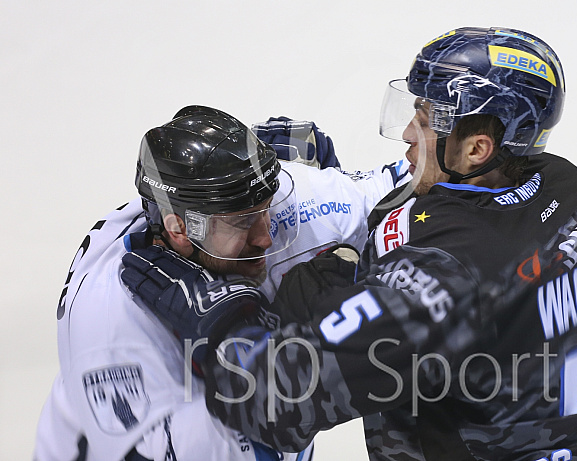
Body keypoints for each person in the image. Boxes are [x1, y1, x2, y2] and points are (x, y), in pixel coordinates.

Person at [122, 28, 577, 460]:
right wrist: (336, 201)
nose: (407, 136)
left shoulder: (444, 280)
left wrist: (216, 313)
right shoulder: (570, 186)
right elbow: (457, 233)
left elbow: (276, 399)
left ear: (478, 147)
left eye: (425, 119)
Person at [34, 105, 409, 460]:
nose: (266, 236)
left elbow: (417, 182)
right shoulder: (107, 323)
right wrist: (282, 339)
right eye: (244, 222)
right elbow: (269, 431)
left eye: (267, 209)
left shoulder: (263, 203)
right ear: (179, 229)